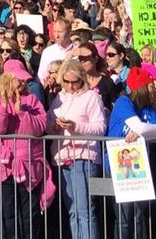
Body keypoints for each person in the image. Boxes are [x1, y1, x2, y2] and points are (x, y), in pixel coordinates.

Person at [107, 66, 156, 239]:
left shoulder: (149, 108)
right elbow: (145, 127)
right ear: (142, 88)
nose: (154, 89)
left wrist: (145, 131)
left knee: (139, 216)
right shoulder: (124, 102)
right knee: (125, 217)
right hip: (119, 165)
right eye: (151, 86)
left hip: (140, 167)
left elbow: (151, 130)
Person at [0, 60, 53, 239]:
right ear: (7, 78)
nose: (23, 83)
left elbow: (39, 127)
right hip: (4, 167)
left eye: (24, 80)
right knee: (8, 213)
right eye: (18, 79)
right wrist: (4, 108)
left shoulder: (31, 99)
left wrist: (22, 112)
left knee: (29, 213)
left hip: (29, 167)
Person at [47, 58, 106, 239]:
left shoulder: (92, 97)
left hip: (84, 157)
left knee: (85, 210)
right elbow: (48, 123)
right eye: (66, 82)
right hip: (62, 157)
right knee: (72, 210)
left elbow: (100, 128)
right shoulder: (59, 98)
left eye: (75, 82)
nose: (71, 86)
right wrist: (55, 126)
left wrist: (75, 127)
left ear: (82, 79)